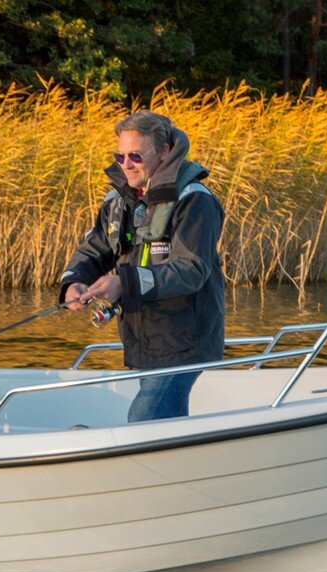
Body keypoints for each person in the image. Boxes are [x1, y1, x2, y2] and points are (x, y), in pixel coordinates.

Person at [59, 111, 226, 422]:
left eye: (135, 155)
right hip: (144, 340)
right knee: (163, 429)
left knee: (144, 420)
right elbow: (93, 250)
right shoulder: (118, 199)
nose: (126, 164)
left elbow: (191, 269)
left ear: (164, 152)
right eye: (119, 155)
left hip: (183, 342)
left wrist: (124, 283)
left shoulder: (195, 200)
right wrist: (74, 281)